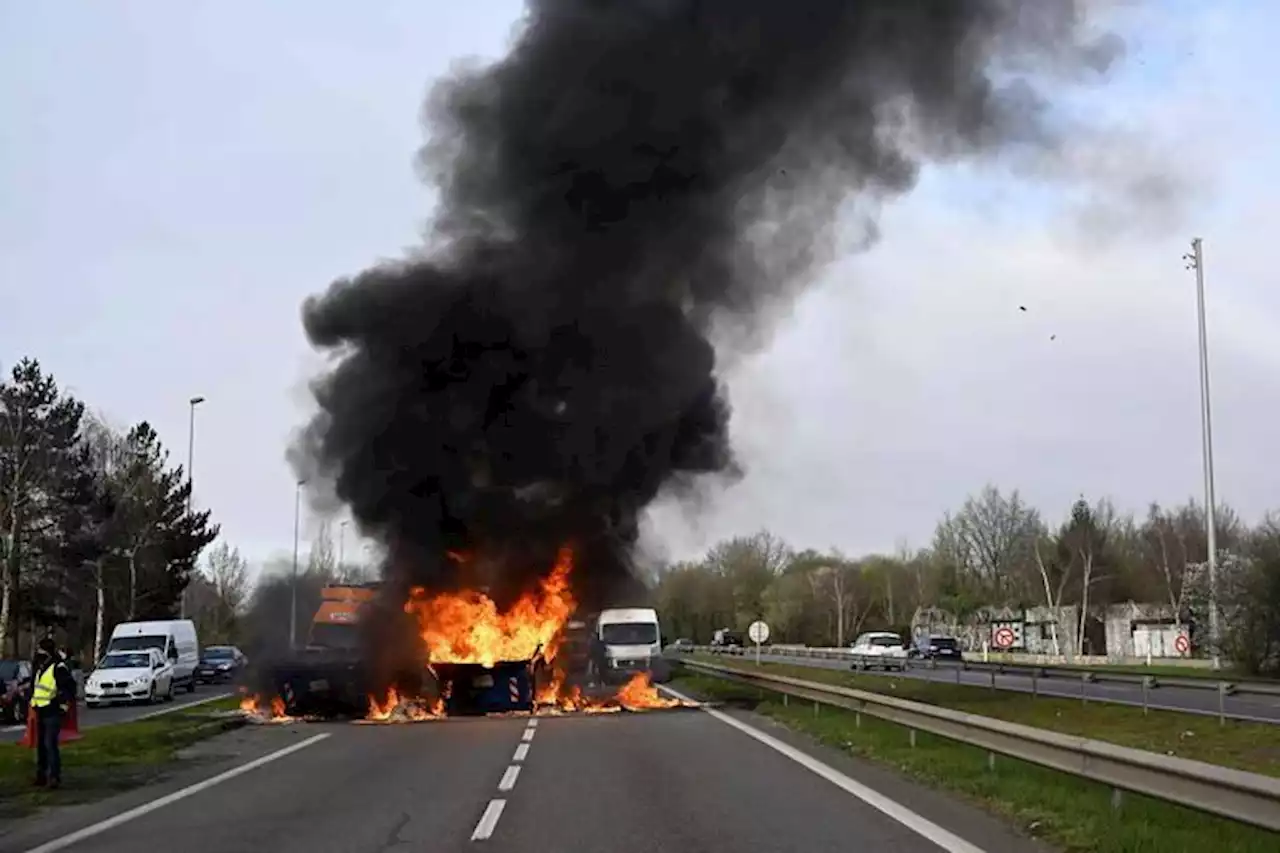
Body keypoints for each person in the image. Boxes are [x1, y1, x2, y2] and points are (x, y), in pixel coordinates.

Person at [31, 636, 76, 789]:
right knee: (41, 745)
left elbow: (69, 688)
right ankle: (41, 775)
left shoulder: (58, 667)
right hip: (41, 710)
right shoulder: (41, 667)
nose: (38, 652)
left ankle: (54, 777)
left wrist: (62, 705)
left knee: (50, 744)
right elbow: (36, 688)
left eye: (40, 649)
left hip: (52, 711)